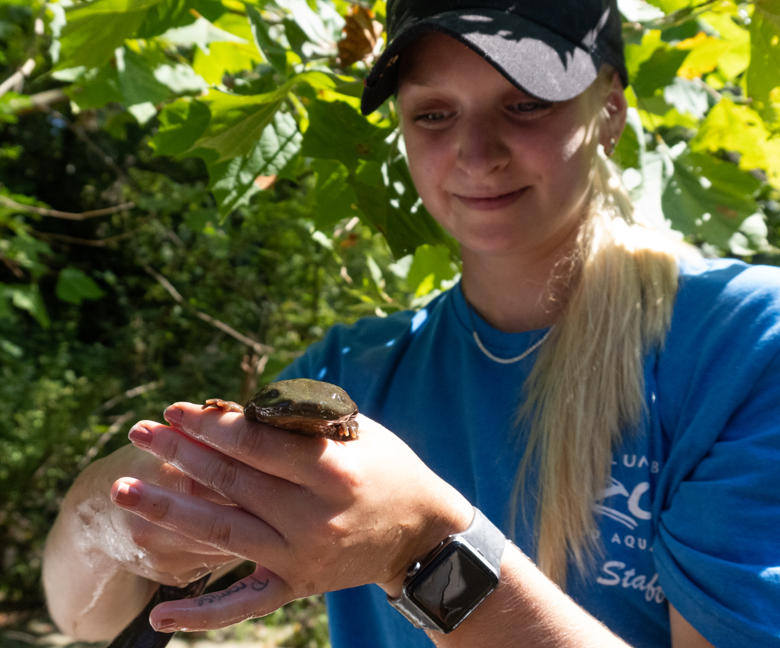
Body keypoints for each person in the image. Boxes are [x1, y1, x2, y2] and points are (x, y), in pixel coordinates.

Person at [42, 0, 780, 647]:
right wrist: (117, 505)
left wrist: (421, 549)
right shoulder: (352, 374)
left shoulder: (746, 345)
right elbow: (84, 618)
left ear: (611, 109)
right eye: (434, 113)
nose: (476, 152)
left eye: (525, 103)